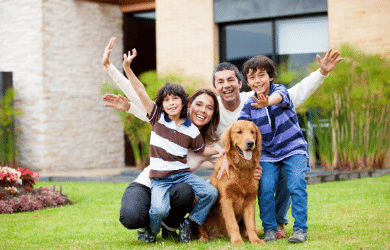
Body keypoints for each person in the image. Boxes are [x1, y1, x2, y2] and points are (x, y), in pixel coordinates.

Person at [102, 37, 343, 242]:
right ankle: (151, 225)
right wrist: (113, 72)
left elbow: (293, 94)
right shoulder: (177, 120)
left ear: (240, 83)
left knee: (195, 190)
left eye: (208, 108)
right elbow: (143, 102)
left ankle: (275, 223)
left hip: (178, 184)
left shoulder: (246, 106)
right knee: (133, 216)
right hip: (151, 181)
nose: (203, 110)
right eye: (200, 104)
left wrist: (321, 72)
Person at [214, 49, 343, 239]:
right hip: (268, 155)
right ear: (247, 83)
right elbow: (238, 129)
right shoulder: (248, 106)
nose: (258, 80)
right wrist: (226, 154)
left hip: (293, 149)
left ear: (271, 77)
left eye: (262, 75)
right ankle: (270, 229)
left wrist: (267, 103)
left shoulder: (279, 91)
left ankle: (300, 229)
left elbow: (281, 98)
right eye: (252, 77)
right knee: (265, 188)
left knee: (296, 185)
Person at [121, 47, 225, 243]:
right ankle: (151, 230)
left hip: (182, 176)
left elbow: (201, 150)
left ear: (184, 103)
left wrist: (220, 151)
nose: (170, 103)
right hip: (159, 179)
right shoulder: (157, 119)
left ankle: (189, 222)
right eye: (166, 100)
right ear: (161, 105)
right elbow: (140, 91)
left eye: (175, 98)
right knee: (160, 209)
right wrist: (127, 68)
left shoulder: (191, 129)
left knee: (211, 193)